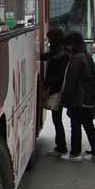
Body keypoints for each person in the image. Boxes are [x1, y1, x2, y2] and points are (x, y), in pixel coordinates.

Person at [60, 31, 95, 162]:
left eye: (67, 44)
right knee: (88, 125)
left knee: (76, 126)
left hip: (78, 98)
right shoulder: (86, 56)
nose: (66, 47)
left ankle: (75, 153)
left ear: (72, 44)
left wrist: (64, 97)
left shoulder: (76, 58)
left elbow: (71, 81)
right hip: (87, 98)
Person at [41, 28, 69, 157]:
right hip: (58, 88)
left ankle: (61, 146)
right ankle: (60, 145)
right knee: (57, 119)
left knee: (57, 119)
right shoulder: (61, 50)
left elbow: (57, 74)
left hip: (57, 90)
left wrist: (47, 84)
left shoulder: (59, 53)